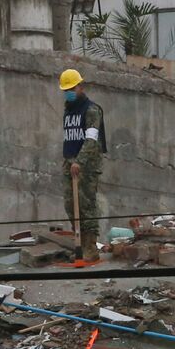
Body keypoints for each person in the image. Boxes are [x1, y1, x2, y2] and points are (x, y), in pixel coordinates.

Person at [59, 68, 106, 261]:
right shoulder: (68, 110)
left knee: (87, 206)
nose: (69, 92)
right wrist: (70, 161)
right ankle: (79, 243)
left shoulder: (91, 109)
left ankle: (90, 247)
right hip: (70, 163)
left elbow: (91, 139)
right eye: (66, 89)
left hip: (86, 165)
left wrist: (80, 161)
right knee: (70, 205)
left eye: (72, 88)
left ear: (80, 86)